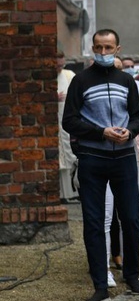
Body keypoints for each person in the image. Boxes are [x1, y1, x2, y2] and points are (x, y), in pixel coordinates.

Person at [62, 29, 139, 301]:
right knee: (95, 222)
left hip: (123, 158)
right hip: (93, 158)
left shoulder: (126, 80)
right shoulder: (80, 81)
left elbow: (137, 116)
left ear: (117, 48)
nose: (103, 52)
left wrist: (130, 132)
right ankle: (100, 283)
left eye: (108, 47)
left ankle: (132, 276)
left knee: (132, 218)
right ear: (92, 48)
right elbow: (69, 121)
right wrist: (101, 132)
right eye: (98, 47)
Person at [56, 51, 79, 202]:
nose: (59, 67)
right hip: (55, 121)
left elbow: (77, 93)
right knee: (59, 159)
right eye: (57, 65)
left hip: (67, 120)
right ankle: (61, 194)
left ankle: (74, 192)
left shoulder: (69, 75)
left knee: (72, 157)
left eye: (61, 64)